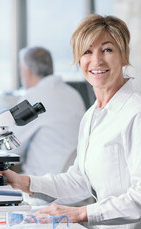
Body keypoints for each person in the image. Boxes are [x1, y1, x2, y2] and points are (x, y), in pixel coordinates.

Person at [0, 14, 141, 229]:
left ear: (124, 56)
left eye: (107, 50)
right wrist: (25, 182)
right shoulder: (92, 115)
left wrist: (81, 213)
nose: (97, 61)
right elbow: (80, 181)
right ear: (78, 59)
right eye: (87, 52)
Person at [10, 46, 86, 176]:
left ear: (27, 73)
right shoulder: (74, 94)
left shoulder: (33, 97)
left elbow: (11, 147)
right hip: (75, 185)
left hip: (43, 184)